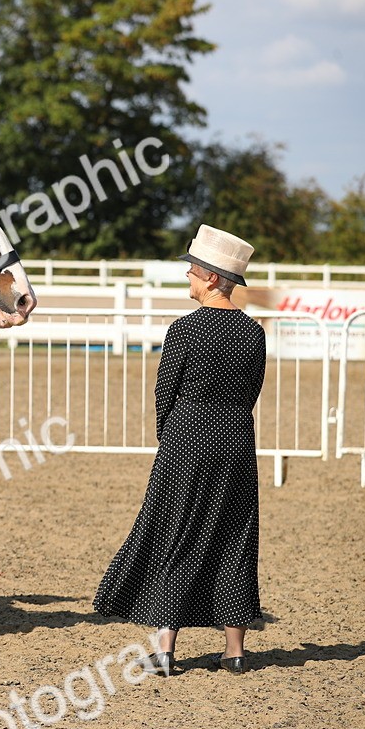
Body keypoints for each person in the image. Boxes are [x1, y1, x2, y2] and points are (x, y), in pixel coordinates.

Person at [93, 224, 266, 675]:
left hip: (185, 439)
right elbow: (251, 392)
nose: (188, 276)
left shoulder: (184, 331)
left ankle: (166, 649)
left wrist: (169, 437)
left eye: (193, 270)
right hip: (235, 441)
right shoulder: (254, 333)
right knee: (236, 537)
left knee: (174, 535)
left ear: (212, 278)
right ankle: (235, 651)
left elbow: (165, 392)